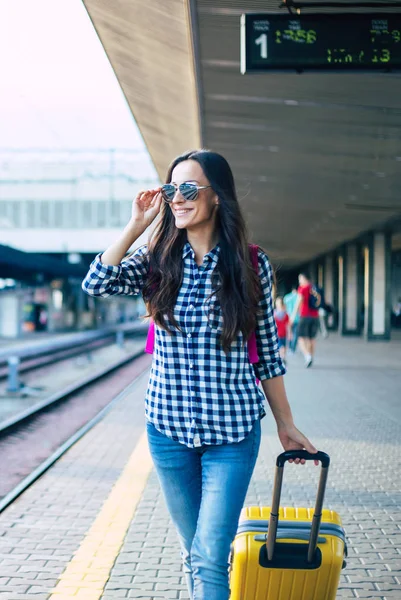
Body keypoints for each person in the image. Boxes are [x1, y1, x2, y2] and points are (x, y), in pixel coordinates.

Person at [82, 150, 317, 600]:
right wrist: (137, 225)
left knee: (210, 554)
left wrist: (286, 424)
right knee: (195, 554)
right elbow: (96, 283)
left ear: (217, 198)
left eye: (188, 189)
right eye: (171, 190)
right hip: (168, 432)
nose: (177, 199)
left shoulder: (250, 264)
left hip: (231, 434)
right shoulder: (157, 260)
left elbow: (267, 353)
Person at [291, 272, 319, 368]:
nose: (299, 281)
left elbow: (299, 301)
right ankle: (310, 357)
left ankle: (307, 356)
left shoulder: (302, 288)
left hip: (305, 316)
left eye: (300, 279)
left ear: (304, 278)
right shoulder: (314, 288)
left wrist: (293, 315)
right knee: (312, 338)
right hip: (315, 316)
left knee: (300, 338)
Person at [274, 297, 290, 364]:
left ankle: (282, 357)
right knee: (282, 346)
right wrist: (289, 333)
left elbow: (287, 325)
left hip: (280, 334)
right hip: (280, 334)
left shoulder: (274, 314)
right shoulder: (285, 314)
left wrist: (289, 333)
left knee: (283, 346)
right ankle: (282, 357)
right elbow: (288, 325)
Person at [283, 286, 299, 352]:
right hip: (297, 318)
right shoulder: (299, 296)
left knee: (289, 333)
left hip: (288, 317)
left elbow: (284, 307)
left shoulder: (286, 297)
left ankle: (289, 346)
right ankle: (292, 348)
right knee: (295, 334)